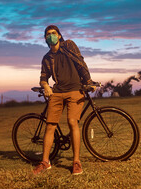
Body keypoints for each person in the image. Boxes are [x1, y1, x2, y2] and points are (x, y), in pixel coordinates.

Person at [33, 25, 95, 175]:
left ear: (59, 36)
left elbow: (81, 63)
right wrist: (46, 86)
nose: (51, 36)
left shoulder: (69, 46)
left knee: (72, 122)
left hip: (75, 90)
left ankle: (76, 162)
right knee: (50, 126)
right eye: (48, 34)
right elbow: (43, 77)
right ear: (45, 38)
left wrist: (88, 81)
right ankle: (45, 162)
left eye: (54, 33)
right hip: (57, 92)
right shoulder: (47, 58)